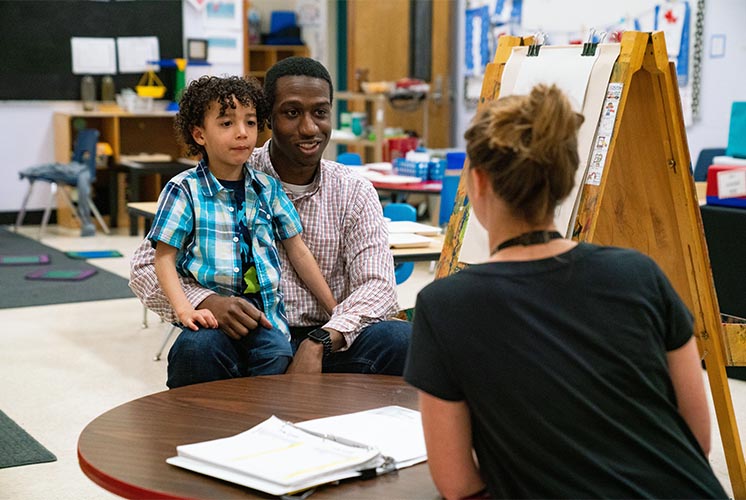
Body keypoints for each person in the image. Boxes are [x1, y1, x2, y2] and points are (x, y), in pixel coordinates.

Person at [404, 84, 727, 499]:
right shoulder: (640, 274)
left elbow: (457, 483)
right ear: (565, 180)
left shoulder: (445, 305)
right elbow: (697, 440)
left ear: (478, 182)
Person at [130, 57, 410, 387]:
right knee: (196, 348)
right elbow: (145, 267)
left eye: (320, 112)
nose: (309, 128)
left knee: (399, 338)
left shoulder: (353, 190)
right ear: (270, 119)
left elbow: (378, 286)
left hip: (328, 338)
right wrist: (206, 302)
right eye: (291, 113)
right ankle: (207, 435)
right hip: (244, 336)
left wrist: (323, 339)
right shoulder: (228, 172)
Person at [147, 75, 337, 383]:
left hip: (265, 319)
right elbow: (163, 258)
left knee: (277, 357)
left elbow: (297, 249)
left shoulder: (267, 188)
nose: (242, 134)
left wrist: (334, 308)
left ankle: (264, 424)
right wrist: (185, 310)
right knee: (197, 353)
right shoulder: (183, 190)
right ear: (199, 134)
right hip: (213, 319)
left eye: (250, 123)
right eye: (226, 124)